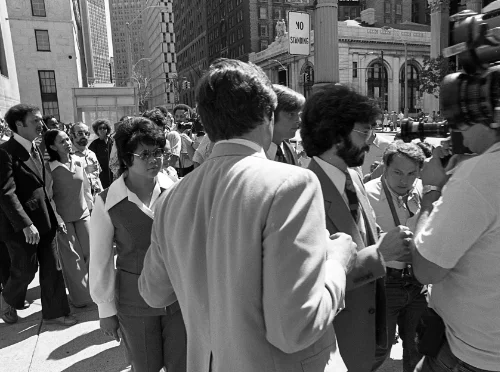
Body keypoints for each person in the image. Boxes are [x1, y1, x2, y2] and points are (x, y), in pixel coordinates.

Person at [138, 59, 357, 372]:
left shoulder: (172, 197)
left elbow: (153, 292)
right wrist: (337, 263)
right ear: (266, 115)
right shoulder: (291, 184)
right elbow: (295, 328)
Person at [300, 84, 413, 372]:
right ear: (337, 136)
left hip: (368, 337)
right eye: (364, 132)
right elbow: (308, 288)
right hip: (334, 345)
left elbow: (364, 235)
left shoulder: (353, 175)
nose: (372, 142)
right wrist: (379, 254)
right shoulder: (301, 194)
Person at [89, 117, 186, 372]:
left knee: (183, 364)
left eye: (158, 152)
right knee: (145, 366)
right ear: (126, 157)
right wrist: (105, 309)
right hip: (135, 302)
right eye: (145, 154)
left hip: (178, 298)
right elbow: (100, 260)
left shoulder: (176, 191)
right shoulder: (107, 201)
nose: (155, 159)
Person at [411, 118, 500, 370]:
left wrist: (431, 189)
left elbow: (426, 269)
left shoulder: (479, 173)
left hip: (471, 355)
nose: (453, 129)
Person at [0, 104, 76, 326]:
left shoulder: (36, 148)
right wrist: (25, 224)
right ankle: (9, 298)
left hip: (45, 219)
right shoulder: (5, 152)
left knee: (53, 268)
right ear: (19, 125)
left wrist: (55, 216)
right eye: (35, 121)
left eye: (41, 120)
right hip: (20, 227)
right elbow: (6, 193)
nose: (41, 125)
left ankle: (56, 313)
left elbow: (43, 187)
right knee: (26, 269)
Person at [365, 141, 428, 372]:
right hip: (384, 284)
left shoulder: (423, 191)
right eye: (398, 173)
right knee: (377, 353)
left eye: (412, 173)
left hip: (417, 283)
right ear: (385, 167)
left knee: (418, 351)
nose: (405, 181)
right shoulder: (368, 194)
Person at [45, 129, 92, 308]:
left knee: (91, 254)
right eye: (62, 141)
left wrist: (92, 208)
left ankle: (97, 291)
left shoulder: (79, 161)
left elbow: (86, 188)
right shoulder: (50, 168)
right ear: (52, 146)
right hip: (63, 220)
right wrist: (57, 219)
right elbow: (48, 197)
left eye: (67, 139)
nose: (67, 143)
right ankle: (80, 298)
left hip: (83, 215)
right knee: (73, 260)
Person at [266, 84, 304, 165]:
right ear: (271, 114)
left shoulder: (289, 150)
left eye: (299, 114)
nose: (299, 120)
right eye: (291, 114)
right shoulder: (257, 154)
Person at [70, 122, 102, 212]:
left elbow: (97, 177)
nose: (84, 136)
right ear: (72, 135)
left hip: (96, 202)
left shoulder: (92, 154)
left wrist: (102, 194)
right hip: (80, 205)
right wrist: (83, 172)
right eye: (80, 133)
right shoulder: (68, 155)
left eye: (86, 133)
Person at [89, 118, 114, 189]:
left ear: (107, 129)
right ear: (97, 130)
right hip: (102, 175)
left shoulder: (113, 141)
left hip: (114, 173)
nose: (102, 130)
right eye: (100, 128)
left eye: (104, 128)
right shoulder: (94, 144)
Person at [172, 104, 195, 176]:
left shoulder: (194, 131)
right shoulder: (171, 131)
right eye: (176, 116)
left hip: (191, 167)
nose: (178, 119)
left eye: (181, 116)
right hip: (175, 168)